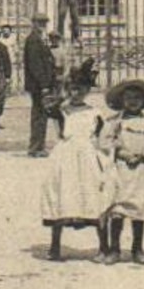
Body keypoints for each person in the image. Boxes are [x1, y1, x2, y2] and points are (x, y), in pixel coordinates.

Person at [39, 65, 113, 262]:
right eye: (73, 88)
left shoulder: (94, 112)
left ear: (88, 90)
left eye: (82, 88)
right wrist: (62, 96)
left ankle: (103, 247)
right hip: (66, 155)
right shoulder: (62, 110)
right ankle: (55, 246)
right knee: (62, 193)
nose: (77, 93)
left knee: (93, 194)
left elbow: (102, 136)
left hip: (87, 155)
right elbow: (47, 108)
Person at [98, 79, 144, 265]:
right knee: (117, 209)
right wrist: (121, 151)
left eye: (137, 98)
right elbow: (104, 142)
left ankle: (137, 249)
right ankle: (115, 249)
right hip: (121, 169)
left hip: (141, 169)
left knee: (139, 209)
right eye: (128, 98)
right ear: (121, 100)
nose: (133, 102)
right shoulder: (115, 122)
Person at [23, 13, 57, 157]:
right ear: (33, 23)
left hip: (41, 83)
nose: (42, 25)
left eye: (44, 23)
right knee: (39, 116)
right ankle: (36, 148)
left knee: (41, 115)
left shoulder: (40, 39)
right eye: (39, 23)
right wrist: (44, 85)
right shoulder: (33, 40)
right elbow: (35, 65)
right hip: (38, 85)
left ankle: (38, 146)